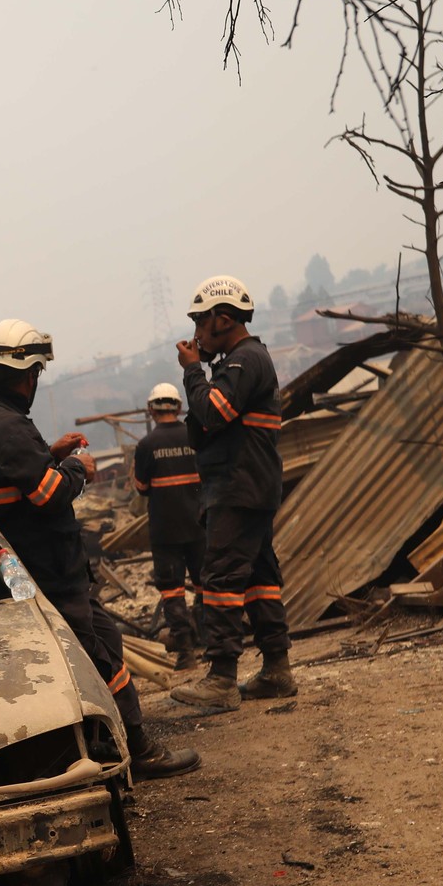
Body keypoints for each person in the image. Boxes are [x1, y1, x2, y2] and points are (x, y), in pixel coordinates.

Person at [0, 319, 199, 779]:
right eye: (35, 374)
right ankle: (137, 749)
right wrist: (77, 466)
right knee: (99, 655)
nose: (35, 382)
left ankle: (106, 744)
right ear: (25, 373)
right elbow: (47, 495)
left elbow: (10, 480)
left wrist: (49, 453)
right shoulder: (7, 427)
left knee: (99, 643)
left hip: (27, 569)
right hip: (49, 568)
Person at [169, 277, 298, 714]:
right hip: (248, 484)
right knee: (260, 578)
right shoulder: (243, 360)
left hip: (239, 486)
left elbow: (212, 411)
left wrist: (192, 370)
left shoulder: (244, 361)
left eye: (200, 324)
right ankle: (277, 670)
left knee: (222, 578)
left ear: (222, 319)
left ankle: (221, 678)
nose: (196, 335)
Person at [131, 382, 204, 668]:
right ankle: (211, 644)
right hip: (199, 524)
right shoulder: (194, 436)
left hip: (165, 529)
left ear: (151, 410)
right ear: (179, 407)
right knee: (206, 585)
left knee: (172, 590)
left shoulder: (146, 446)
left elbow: (141, 486)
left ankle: (186, 652)